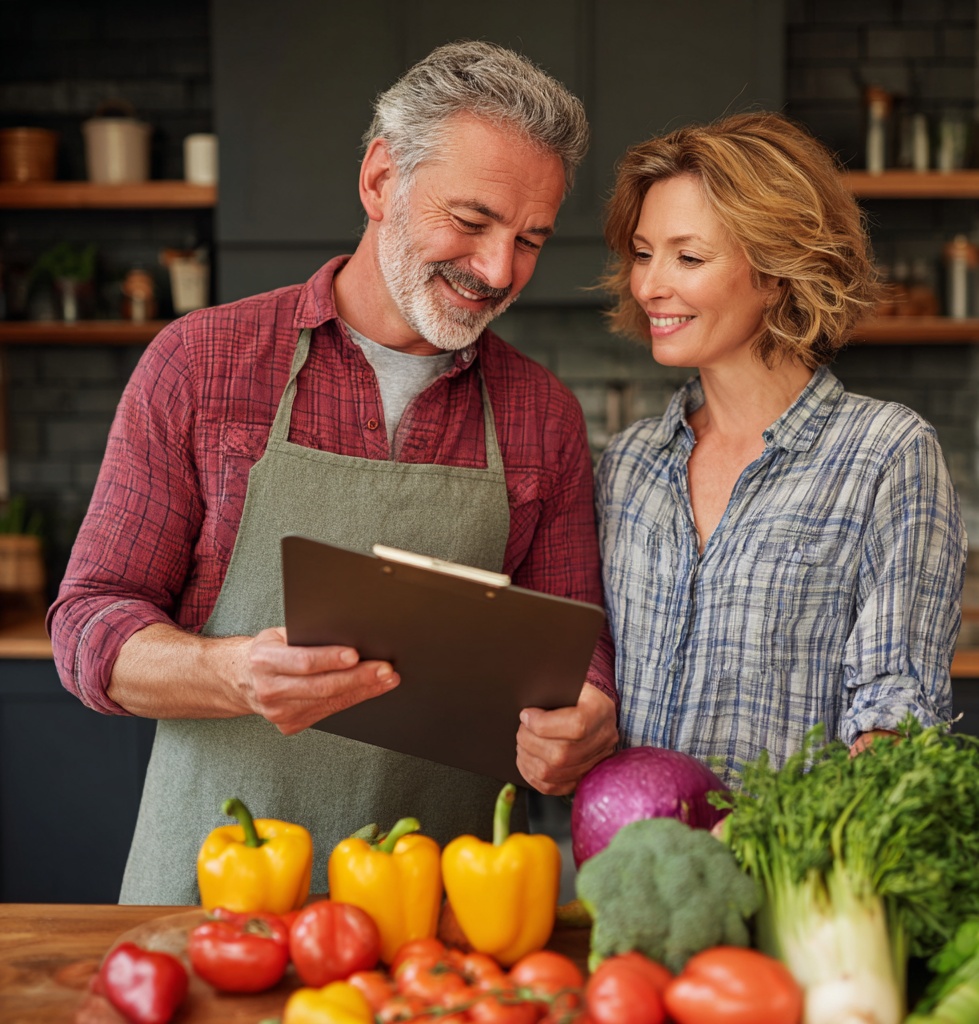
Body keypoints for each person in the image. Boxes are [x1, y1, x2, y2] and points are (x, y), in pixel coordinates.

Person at [49, 41, 618, 904]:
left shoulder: (544, 417)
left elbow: (576, 652)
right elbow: (88, 624)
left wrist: (583, 717)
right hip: (209, 895)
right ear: (381, 181)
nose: (500, 270)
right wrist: (232, 671)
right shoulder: (202, 363)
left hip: (436, 916)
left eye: (530, 238)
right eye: (471, 221)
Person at [596, 113, 966, 784]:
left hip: (788, 877)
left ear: (775, 270)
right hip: (624, 880)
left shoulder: (885, 456)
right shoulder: (627, 465)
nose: (649, 285)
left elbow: (896, 718)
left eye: (688, 256)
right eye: (644, 252)